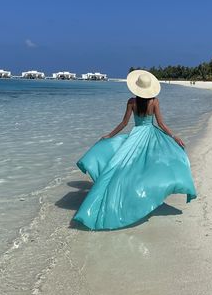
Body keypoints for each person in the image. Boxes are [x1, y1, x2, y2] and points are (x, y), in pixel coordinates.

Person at [73, 70, 197, 230]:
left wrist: (109, 135)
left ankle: (121, 198)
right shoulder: (154, 102)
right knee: (150, 167)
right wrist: (174, 137)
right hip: (150, 135)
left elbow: (124, 123)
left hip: (135, 136)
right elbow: (161, 124)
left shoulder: (131, 101)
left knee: (119, 168)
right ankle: (144, 195)